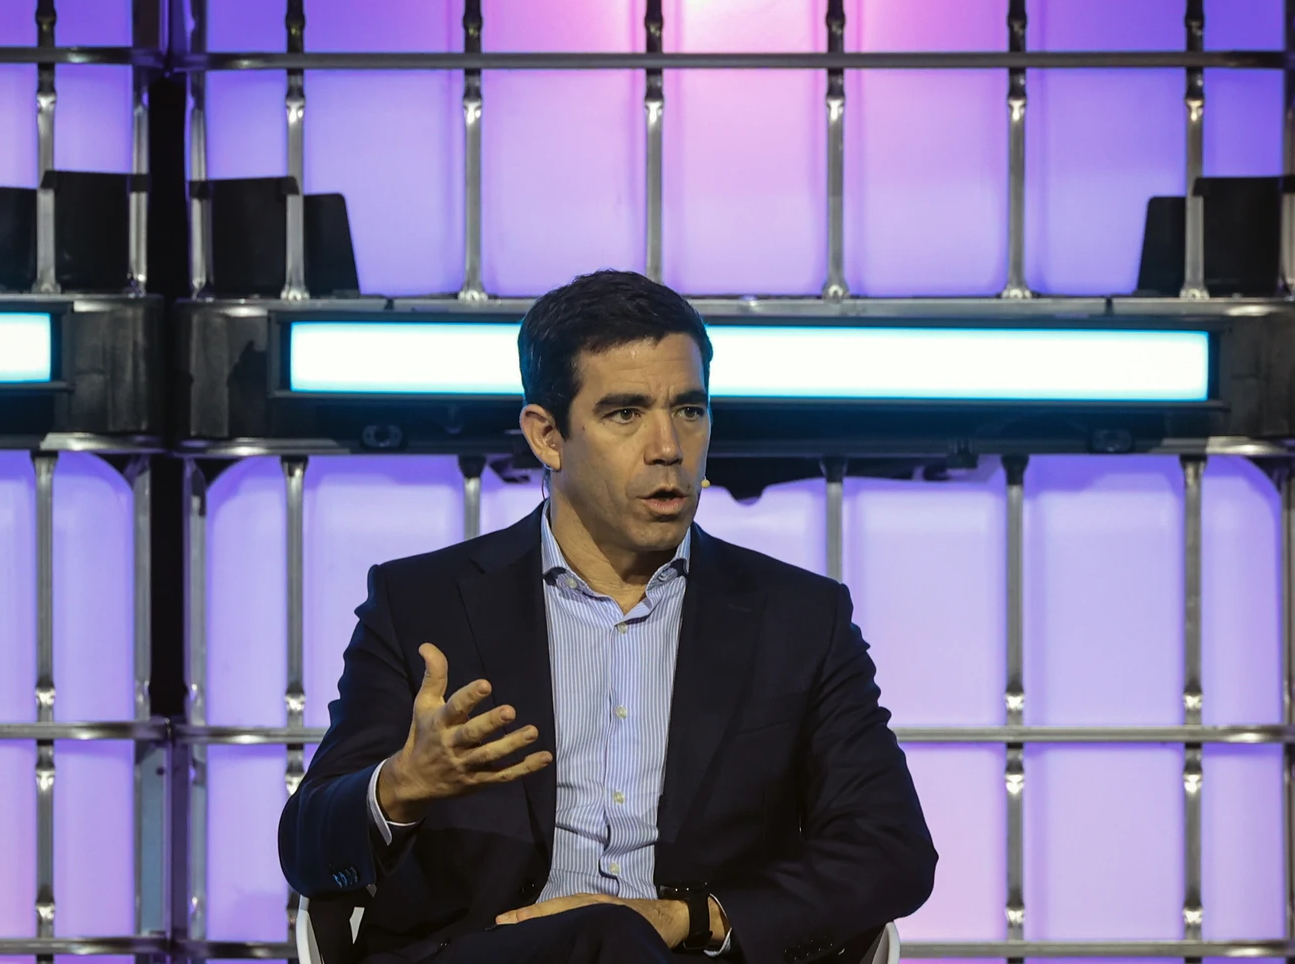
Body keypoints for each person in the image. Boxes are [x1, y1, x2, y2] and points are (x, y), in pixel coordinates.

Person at [279, 270, 935, 963]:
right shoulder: (421, 604)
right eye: (626, 413)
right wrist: (399, 787)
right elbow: (307, 850)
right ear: (547, 436)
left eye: (689, 410)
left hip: (683, 953)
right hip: (490, 953)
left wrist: (689, 917)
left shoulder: (798, 620)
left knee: (614, 936)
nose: (669, 447)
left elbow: (889, 848)